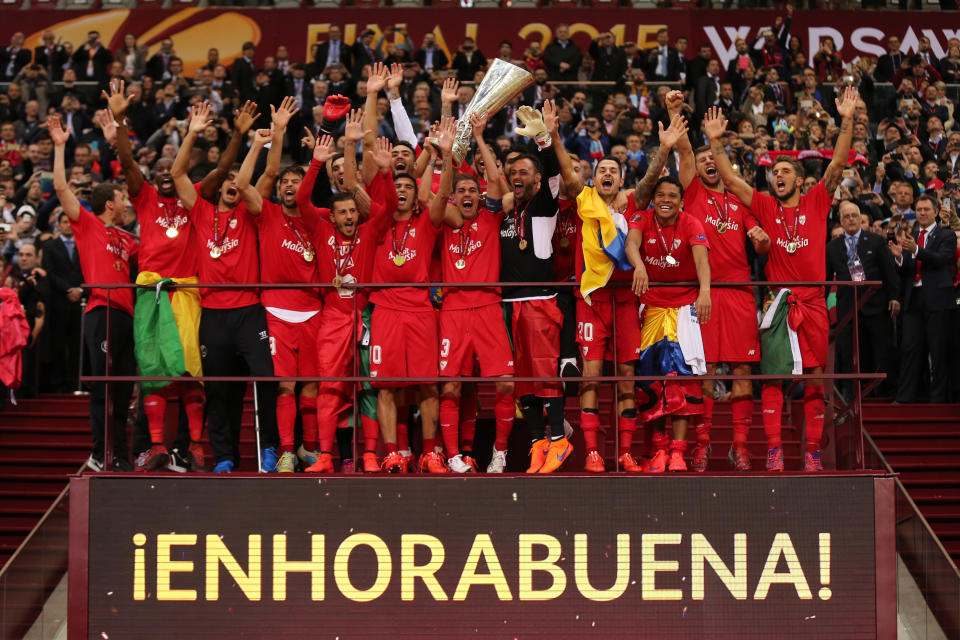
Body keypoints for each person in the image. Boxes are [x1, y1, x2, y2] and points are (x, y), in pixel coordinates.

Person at [704, 85, 860, 472]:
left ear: (801, 180)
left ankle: (810, 452)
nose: (778, 176)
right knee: (773, 378)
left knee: (813, 379)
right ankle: (774, 449)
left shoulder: (817, 201)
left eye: (786, 171)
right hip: (777, 304)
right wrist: (716, 143)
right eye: (775, 172)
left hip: (813, 303)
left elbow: (838, 164)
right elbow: (731, 180)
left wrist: (846, 120)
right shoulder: (762, 204)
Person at [103, 79, 207, 473]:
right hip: (150, 295)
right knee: (152, 370)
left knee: (189, 370)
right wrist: (119, 118)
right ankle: (159, 446)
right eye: (160, 169)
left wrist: (195, 133)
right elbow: (129, 163)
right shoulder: (144, 196)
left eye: (171, 169)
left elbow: (220, 173)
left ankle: (195, 447)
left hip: (186, 293)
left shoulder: (195, 199)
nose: (166, 174)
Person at [171, 100, 280, 474]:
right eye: (228, 180)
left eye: (239, 180)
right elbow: (177, 173)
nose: (234, 184)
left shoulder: (252, 214)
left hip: (250, 310)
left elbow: (263, 176)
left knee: (267, 380)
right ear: (219, 187)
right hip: (213, 315)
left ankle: (269, 449)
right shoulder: (200, 212)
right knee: (219, 390)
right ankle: (225, 457)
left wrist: (259, 143)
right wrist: (192, 133)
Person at [669, 90, 769, 472]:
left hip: (740, 293)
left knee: (742, 371)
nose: (710, 163)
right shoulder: (691, 191)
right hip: (702, 294)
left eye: (716, 159)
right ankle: (703, 444)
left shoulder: (741, 203)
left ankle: (740, 446)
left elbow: (761, 246)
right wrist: (676, 112)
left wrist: (760, 240)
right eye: (704, 159)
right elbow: (682, 152)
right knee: (705, 371)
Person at [545, 98, 646, 473]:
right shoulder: (585, 198)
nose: (606, 174)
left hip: (625, 301)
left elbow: (653, 184)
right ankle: (592, 451)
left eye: (612, 171)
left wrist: (666, 147)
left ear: (621, 180)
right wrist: (554, 135)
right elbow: (569, 178)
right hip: (592, 300)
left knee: (627, 379)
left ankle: (626, 452)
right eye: (601, 169)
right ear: (594, 177)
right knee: (591, 376)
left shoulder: (632, 204)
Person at [301, 114, 396, 474]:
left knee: (370, 388)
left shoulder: (370, 233)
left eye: (352, 211)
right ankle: (326, 454)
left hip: (367, 314)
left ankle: (370, 454)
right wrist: (315, 164)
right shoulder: (321, 229)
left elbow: (385, 209)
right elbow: (302, 199)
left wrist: (385, 173)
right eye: (341, 212)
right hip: (333, 316)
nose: (348, 217)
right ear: (333, 216)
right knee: (330, 387)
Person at [50, 114, 137, 472]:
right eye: (122, 198)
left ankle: (120, 455)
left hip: (128, 316)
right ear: (109, 204)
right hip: (100, 311)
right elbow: (60, 190)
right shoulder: (86, 225)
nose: (127, 202)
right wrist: (59, 148)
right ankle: (101, 452)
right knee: (103, 388)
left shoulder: (128, 239)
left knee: (122, 391)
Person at [236, 96, 318, 474]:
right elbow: (243, 183)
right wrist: (273, 137)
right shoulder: (266, 214)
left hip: (315, 309)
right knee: (285, 386)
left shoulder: (318, 219)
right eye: (284, 181)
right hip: (276, 310)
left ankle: (310, 448)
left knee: (311, 388)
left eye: (295, 181)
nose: (288, 185)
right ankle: (286, 450)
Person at [430, 113, 515, 474]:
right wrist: (446, 158)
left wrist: (480, 137)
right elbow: (434, 201)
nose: (467, 196)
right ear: (453, 198)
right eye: (459, 192)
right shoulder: (446, 220)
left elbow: (496, 180)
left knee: (506, 384)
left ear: (479, 198)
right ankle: (452, 455)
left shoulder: (489, 218)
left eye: (472, 192)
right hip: (453, 308)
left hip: (488, 306)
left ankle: (500, 453)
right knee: (450, 388)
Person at [368, 114, 447, 474]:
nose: (401, 191)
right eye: (396, 188)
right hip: (385, 308)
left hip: (419, 309)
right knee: (386, 387)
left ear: (418, 195)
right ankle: (393, 453)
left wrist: (443, 157)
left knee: (428, 386)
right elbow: (383, 195)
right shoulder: (379, 224)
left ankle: (431, 452)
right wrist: (385, 172)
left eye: (408, 187)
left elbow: (443, 193)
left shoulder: (426, 222)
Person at [499, 106, 572, 473]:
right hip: (508, 306)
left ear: (536, 179)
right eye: (512, 171)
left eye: (523, 171)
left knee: (544, 375)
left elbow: (556, 174)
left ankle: (559, 440)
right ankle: (537, 442)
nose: (516, 175)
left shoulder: (544, 206)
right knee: (520, 380)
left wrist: (545, 139)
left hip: (540, 304)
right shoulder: (505, 213)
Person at [826, 200, 901, 398]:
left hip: (875, 306)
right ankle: (853, 397)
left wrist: (894, 297)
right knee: (850, 353)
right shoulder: (832, 247)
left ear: (860, 219)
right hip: (847, 309)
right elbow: (826, 279)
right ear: (840, 221)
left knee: (882, 351)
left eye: (854, 216)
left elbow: (889, 272)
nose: (851, 219)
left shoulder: (875, 241)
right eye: (846, 216)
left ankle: (888, 392)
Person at [889, 193, 957, 403]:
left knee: (938, 351)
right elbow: (908, 270)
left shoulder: (946, 236)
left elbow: (942, 260)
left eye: (926, 209)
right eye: (919, 210)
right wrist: (900, 258)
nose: (922, 213)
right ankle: (905, 397)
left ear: (936, 212)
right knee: (910, 349)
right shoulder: (913, 236)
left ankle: (938, 399)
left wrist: (916, 250)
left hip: (938, 300)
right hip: (913, 300)